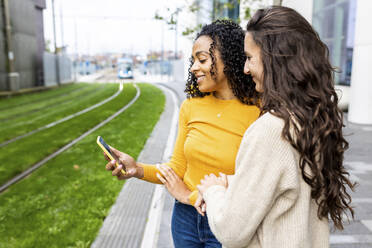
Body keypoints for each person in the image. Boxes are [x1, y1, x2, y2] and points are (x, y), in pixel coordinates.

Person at [195, 6, 356, 248]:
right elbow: (288, 186)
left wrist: (213, 191)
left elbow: (231, 230)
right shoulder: (312, 119)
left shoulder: (271, 129)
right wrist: (235, 182)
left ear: (275, 59)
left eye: (249, 58)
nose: (245, 69)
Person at [104, 20, 260, 248]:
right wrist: (137, 169)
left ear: (229, 58)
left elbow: (253, 184)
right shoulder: (191, 107)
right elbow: (177, 169)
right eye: (193, 61)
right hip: (185, 220)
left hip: (228, 223)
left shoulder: (259, 112)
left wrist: (191, 196)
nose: (194, 67)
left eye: (202, 59)